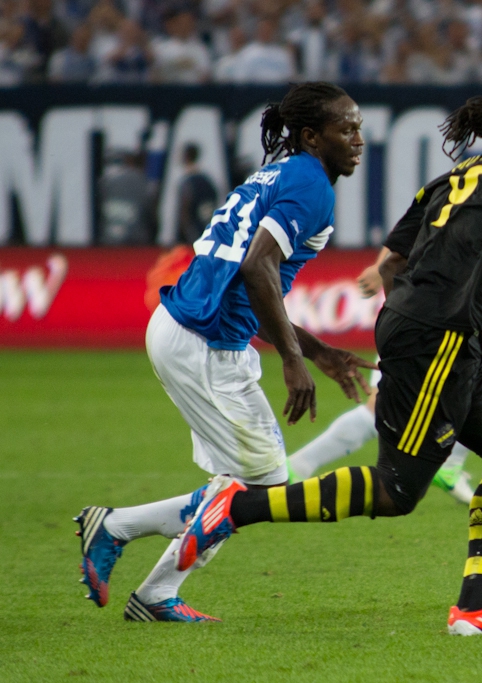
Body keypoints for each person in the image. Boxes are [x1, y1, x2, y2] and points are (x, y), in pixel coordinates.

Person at [174, 71, 482, 635]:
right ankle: (236, 508)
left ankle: (474, 609)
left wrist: (420, 309)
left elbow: (394, 260)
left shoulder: (462, 173)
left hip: (442, 332)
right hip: (438, 334)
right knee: (397, 490)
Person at [74, 82, 373, 622]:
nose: (358, 139)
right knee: (264, 485)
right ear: (312, 136)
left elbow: (253, 287)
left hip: (186, 328)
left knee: (240, 484)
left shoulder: (279, 174)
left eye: (359, 127)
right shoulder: (311, 186)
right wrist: (293, 360)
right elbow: (257, 268)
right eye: (346, 128)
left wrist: (315, 350)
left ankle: (140, 566)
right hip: (205, 342)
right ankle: (130, 550)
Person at [286, 220, 482, 502]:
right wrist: (382, 266)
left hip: (463, 314)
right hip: (426, 310)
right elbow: (417, 220)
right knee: (382, 404)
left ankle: (449, 466)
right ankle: (300, 465)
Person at [176, 144, 219, 244]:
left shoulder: (188, 183)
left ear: (186, 157)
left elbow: (185, 210)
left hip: (191, 236)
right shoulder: (207, 182)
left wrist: (185, 233)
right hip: (205, 232)